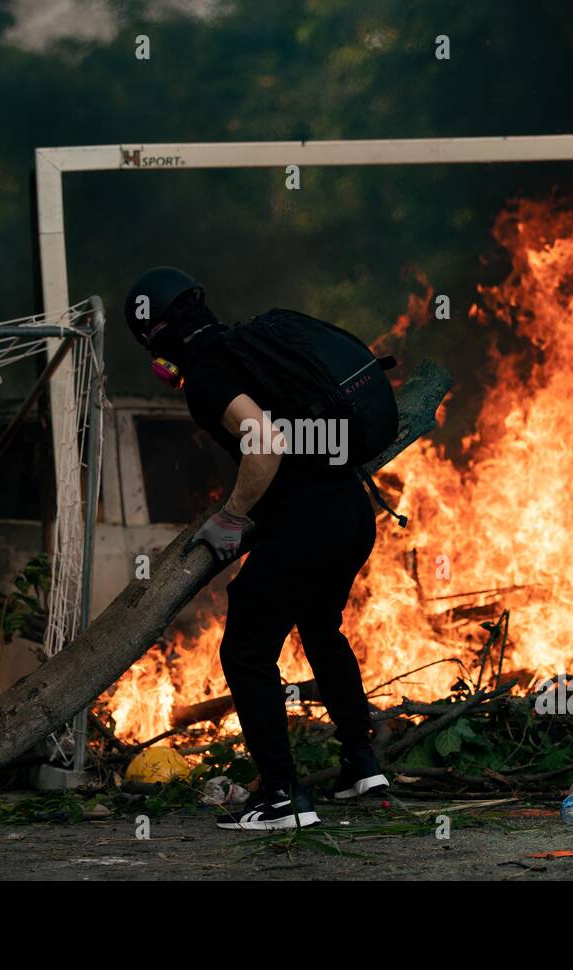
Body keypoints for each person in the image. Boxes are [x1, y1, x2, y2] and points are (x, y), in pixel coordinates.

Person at [125, 266, 389, 830]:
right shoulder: (253, 345)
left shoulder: (208, 375)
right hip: (351, 513)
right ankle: (362, 764)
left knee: (246, 651)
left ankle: (282, 796)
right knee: (321, 628)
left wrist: (232, 517)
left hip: (305, 522)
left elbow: (264, 444)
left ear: (158, 341)